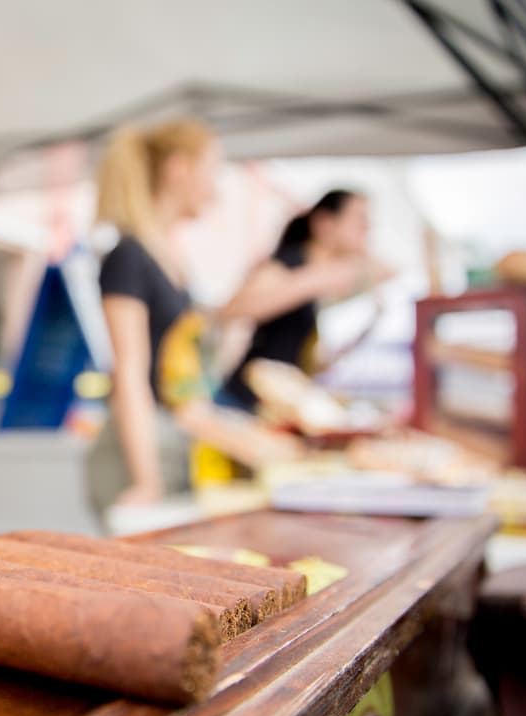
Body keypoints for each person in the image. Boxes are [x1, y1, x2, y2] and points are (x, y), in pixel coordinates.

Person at [87, 120, 301, 513]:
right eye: (211, 172)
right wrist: (145, 481)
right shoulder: (128, 257)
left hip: (168, 448)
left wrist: (250, 440)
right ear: (178, 169)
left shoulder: (170, 264)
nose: (216, 190)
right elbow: (130, 375)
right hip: (135, 456)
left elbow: (183, 393)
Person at [216, 189, 394, 412]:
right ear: (324, 224)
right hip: (242, 405)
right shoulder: (285, 265)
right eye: (359, 220)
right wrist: (317, 278)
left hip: (277, 407)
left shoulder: (319, 280)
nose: (367, 229)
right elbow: (230, 311)